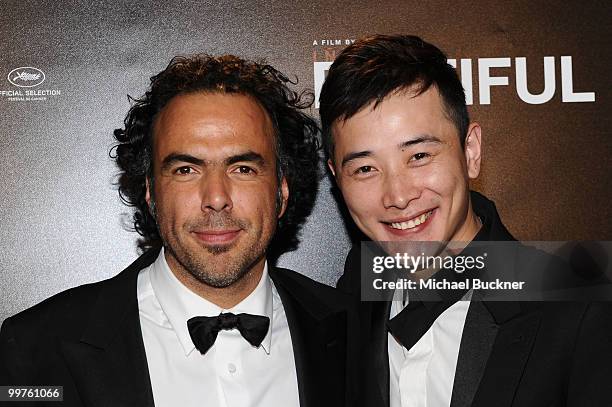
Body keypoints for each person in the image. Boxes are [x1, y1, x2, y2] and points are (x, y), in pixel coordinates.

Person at [0, 54, 353, 407]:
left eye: (243, 168)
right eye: (186, 169)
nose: (216, 198)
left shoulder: (355, 333)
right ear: (151, 190)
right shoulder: (36, 349)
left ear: (281, 190)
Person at [319, 34, 612, 407]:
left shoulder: (578, 309)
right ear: (336, 177)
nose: (398, 196)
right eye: (365, 168)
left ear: (470, 151)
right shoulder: (350, 296)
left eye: (420, 156)